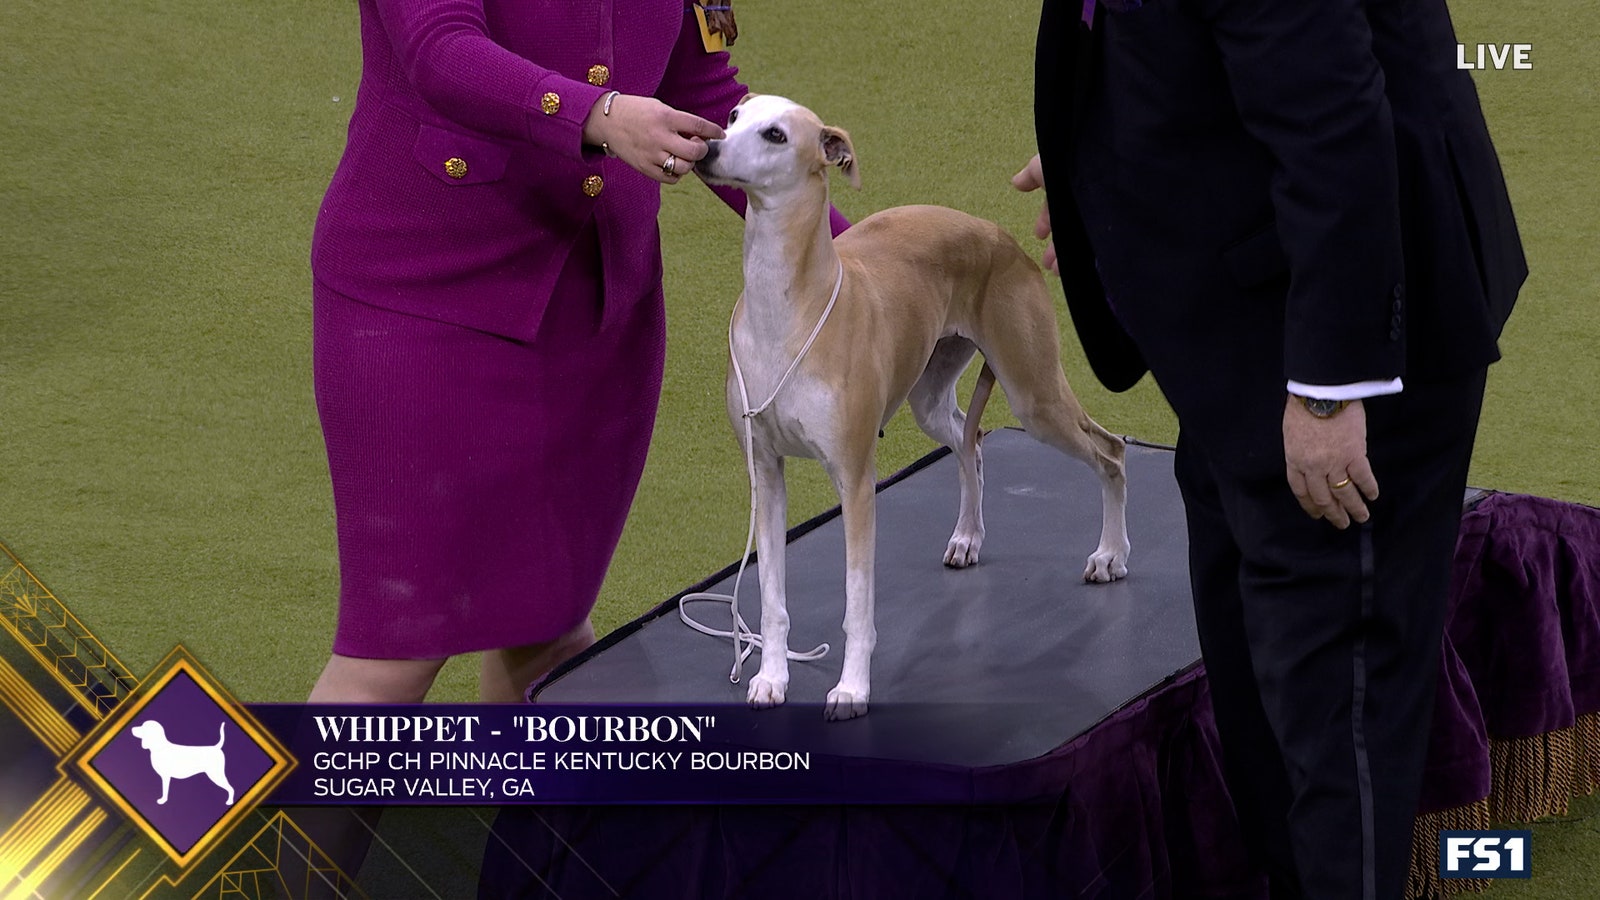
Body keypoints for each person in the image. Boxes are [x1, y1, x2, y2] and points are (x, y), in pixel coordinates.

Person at [1016, 1, 1525, 897]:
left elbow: (1331, 121)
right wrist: (1100, 161)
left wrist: (1329, 388)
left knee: (1339, 703)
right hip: (1236, 329)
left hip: (1352, 333)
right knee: (1257, 668)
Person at [306, 0, 834, 704]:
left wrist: (851, 268)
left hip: (599, 317)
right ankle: (283, 822)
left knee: (549, 640)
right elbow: (437, 48)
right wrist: (602, 115)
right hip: (425, 300)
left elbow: (702, 92)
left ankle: (528, 818)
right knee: (396, 653)